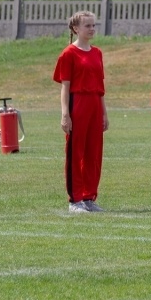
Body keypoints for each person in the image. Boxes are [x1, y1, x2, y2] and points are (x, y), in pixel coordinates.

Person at [53, 11, 109, 212]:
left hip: (95, 104)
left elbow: (100, 86)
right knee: (76, 152)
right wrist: (65, 114)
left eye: (94, 25)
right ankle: (75, 199)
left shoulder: (97, 53)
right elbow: (65, 87)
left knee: (93, 152)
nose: (92, 29)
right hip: (78, 104)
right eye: (88, 26)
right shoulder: (68, 54)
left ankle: (89, 197)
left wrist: (104, 113)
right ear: (76, 29)